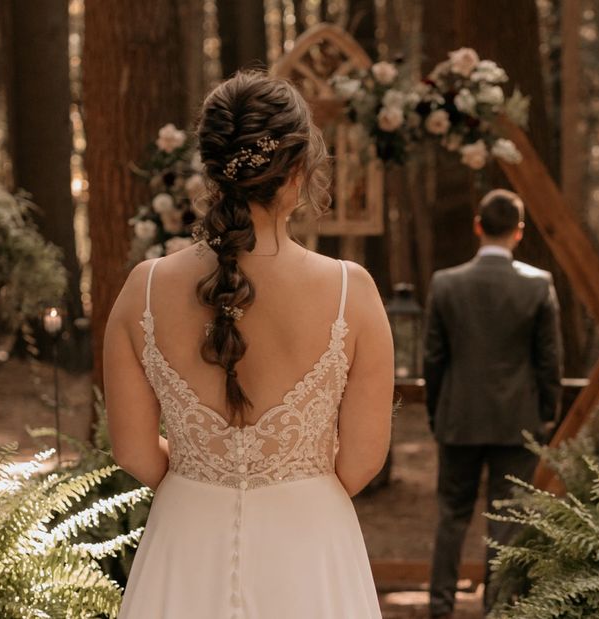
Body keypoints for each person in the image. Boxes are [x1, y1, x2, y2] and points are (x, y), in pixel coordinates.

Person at [103, 71, 393, 618]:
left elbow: (134, 452)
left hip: (185, 539)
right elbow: (360, 461)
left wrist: (206, 476)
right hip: (310, 545)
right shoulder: (351, 293)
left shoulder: (143, 288)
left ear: (212, 170)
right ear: (299, 173)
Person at [423, 189, 563, 617]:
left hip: (458, 417)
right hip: (516, 420)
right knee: (506, 520)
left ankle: (440, 606)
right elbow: (549, 361)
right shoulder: (538, 286)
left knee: (452, 516)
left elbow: (433, 359)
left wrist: (437, 412)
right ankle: (500, 608)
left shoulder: (446, 284)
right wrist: (545, 416)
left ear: (478, 226)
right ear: (518, 232)